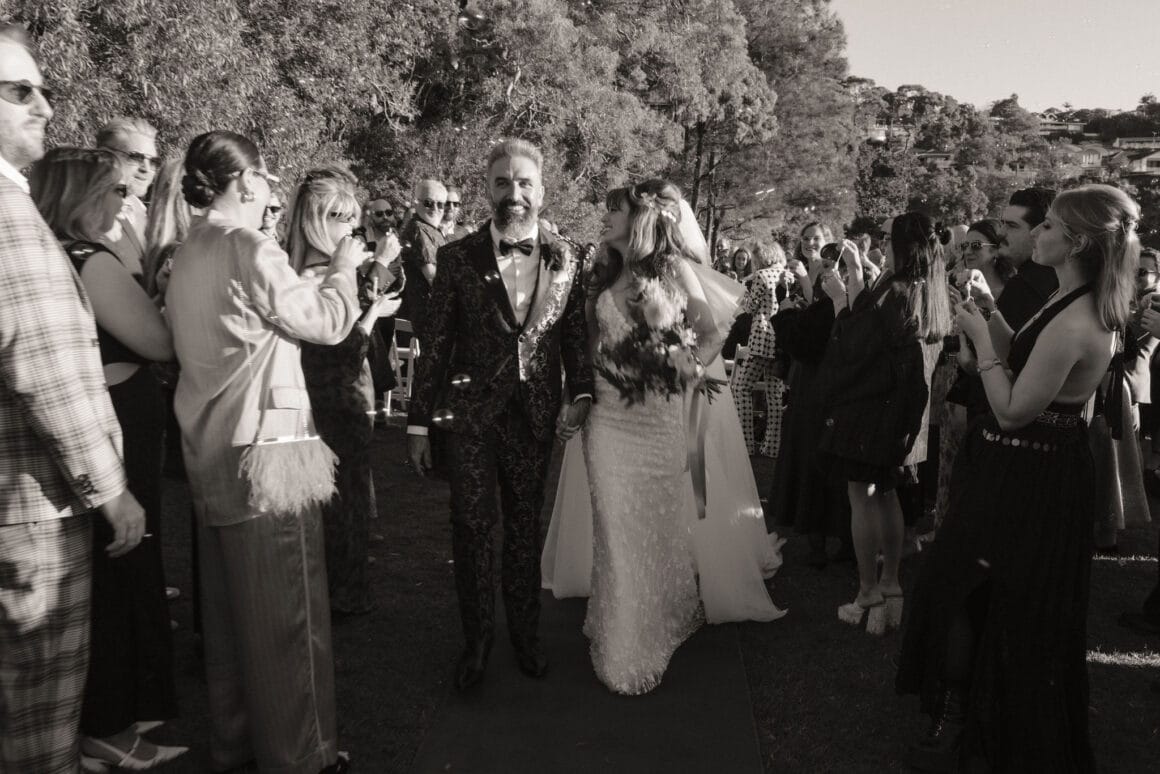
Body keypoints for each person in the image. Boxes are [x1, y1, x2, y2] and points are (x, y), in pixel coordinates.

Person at [897, 184, 1139, 772]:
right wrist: (990, 320)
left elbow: (1011, 408)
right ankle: (963, 712)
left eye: (1048, 225)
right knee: (969, 590)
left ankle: (971, 722)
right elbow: (1022, 354)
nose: (1036, 233)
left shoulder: (1078, 318)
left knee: (981, 594)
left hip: (1033, 474)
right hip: (1021, 464)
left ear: (1075, 242)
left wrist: (981, 341)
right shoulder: (1065, 295)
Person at [166, 131, 360, 774]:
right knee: (289, 618)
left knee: (230, 624)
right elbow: (326, 322)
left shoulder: (187, 250)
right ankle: (304, 757)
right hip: (268, 455)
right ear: (246, 181)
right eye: (267, 177)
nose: (272, 188)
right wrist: (344, 268)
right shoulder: (249, 246)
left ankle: (237, 747)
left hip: (208, 453)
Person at [540, 183, 786, 685]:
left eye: (614, 210)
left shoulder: (672, 270)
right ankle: (623, 637)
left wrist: (682, 369)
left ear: (640, 219)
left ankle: (661, 610)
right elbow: (586, 347)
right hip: (607, 419)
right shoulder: (601, 271)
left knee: (651, 526)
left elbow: (711, 331)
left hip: (659, 420)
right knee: (614, 524)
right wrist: (576, 396)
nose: (605, 217)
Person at [0, 25, 146, 774]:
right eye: (19, 90)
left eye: (44, 89)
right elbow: (46, 366)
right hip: (32, 510)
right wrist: (112, 490)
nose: (45, 106)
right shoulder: (8, 215)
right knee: (35, 728)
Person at [407, 139, 593, 693]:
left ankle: (526, 637)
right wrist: (417, 423)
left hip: (533, 417)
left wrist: (581, 393)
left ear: (542, 190)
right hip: (470, 417)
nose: (514, 193)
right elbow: (435, 345)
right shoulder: (457, 258)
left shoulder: (569, 256)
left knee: (523, 528)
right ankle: (477, 642)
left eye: (524, 182)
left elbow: (574, 337)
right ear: (487, 189)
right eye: (503, 182)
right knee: (470, 527)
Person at [30, 146, 185, 770]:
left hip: (102, 421)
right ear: (83, 196)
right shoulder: (89, 260)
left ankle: (105, 716)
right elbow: (158, 340)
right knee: (123, 564)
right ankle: (113, 722)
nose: (127, 204)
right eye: (116, 191)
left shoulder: (48, 253)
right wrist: (169, 295)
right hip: (119, 423)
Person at [815, 215, 952, 634]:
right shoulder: (928, 289)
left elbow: (857, 345)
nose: (882, 244)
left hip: (873, 407)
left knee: (862, 495)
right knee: (888, 493)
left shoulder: (896, 290)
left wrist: (838, 301)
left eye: (889, 238)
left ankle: (867, 592)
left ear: (904, 246)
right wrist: (859, 278)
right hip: (906, 409)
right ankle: (891, 585)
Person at [289, 164, 403, 616]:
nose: (353, 231)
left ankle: (345, 589)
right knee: (340, 504)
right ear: (318, 221)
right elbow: (341, 352)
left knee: (349, 501)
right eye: (344, 220)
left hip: (346, 401)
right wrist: (373, 314)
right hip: (332, 405)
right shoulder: (312, 277)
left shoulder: (327, 271)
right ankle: (342, 595)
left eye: (355, 220)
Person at [768, 222, 852, 568]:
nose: (810, 244)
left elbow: (813, 332)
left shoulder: (837, 281)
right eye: (805, 238)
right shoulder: (809, 274)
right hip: (808, 378)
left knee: (819, 456)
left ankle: (835, 539)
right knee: (809, 455)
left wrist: (788, 311)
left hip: (822, 379)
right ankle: (823, 539)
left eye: (817, 239)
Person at [730, 242, 788, 456]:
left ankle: (746, 443)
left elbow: (750, 307)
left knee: (741, 387)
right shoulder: (785, 274)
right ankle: (772, 446)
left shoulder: (762, 276)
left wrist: (742, 291)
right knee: (774, 394)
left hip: (761, 337)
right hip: (779, 338)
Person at [96, 116, 161, 279]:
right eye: (136, 157)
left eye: (153, 161)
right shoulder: (88, 215)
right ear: (104, 156)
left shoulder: (145, 214)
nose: (146, 169)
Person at [992, 187, 1059, 332]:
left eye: (1011, 226)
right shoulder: (1060, 280)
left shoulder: (1024, 288)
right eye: (1002, 223)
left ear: (1039, 232)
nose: (1000, 232)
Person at [399, 178, 447, 333]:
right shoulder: (419, 230)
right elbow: (433, 278)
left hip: (431, 314)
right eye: (428, 203)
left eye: (440, 204)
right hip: (427, 317)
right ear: (416, 203)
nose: (435, 208)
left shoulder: (430, 229)